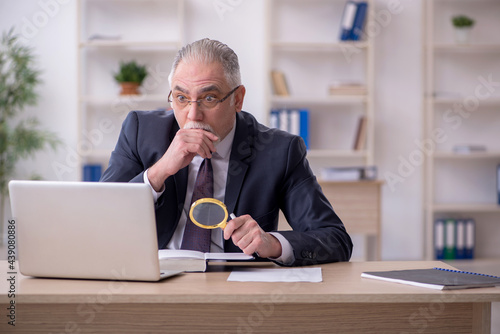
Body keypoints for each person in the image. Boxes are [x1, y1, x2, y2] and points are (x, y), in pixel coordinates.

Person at [100, 38, 352, 266]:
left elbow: (335, 239)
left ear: (238, 99)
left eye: (209, 98)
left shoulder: (280, 151)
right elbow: (101, 217)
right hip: (155, 279)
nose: (193, 114)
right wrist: (159, 171)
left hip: (234, 286)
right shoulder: (140, 131)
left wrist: (272, 244)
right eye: (181, 97)